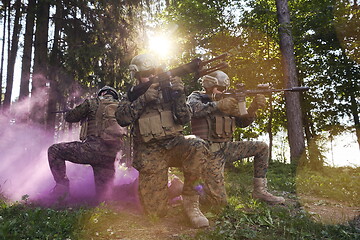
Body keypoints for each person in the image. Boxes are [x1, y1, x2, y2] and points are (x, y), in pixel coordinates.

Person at [115, 53, 209, 228]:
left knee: (197, 145)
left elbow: (184, 118)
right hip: (150, 153)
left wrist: (180, 94)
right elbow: (122, 118)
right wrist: (143, 100)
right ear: (136, 76)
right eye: (146, 74)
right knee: (155, 213)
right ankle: (171, 187)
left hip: (174, 145)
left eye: (153, 72)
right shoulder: (131, 96)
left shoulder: (168, 91)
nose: (151, 77)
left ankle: (191, 203)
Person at [187, 70, 285, 209]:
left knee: (262, 147)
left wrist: (253, 108)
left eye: (225, 88)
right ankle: (193, 190)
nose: (223, 91)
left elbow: (242, 122)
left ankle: (259, 191)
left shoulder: (228, 101)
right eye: (220, 88)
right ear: (208, 85)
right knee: (218, 204)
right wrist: (217, 105)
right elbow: (193, 110)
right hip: (208, 153)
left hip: (227, 149)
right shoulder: (197, 96)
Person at [48, 86, 126, 202]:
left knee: (54, 150)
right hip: (110, 156)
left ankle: (62, 188)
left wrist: (72, 111)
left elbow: (70, 117)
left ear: (102, 93)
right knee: (103, 198)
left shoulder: (92, 103)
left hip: (91, 150)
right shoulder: (122, 107)